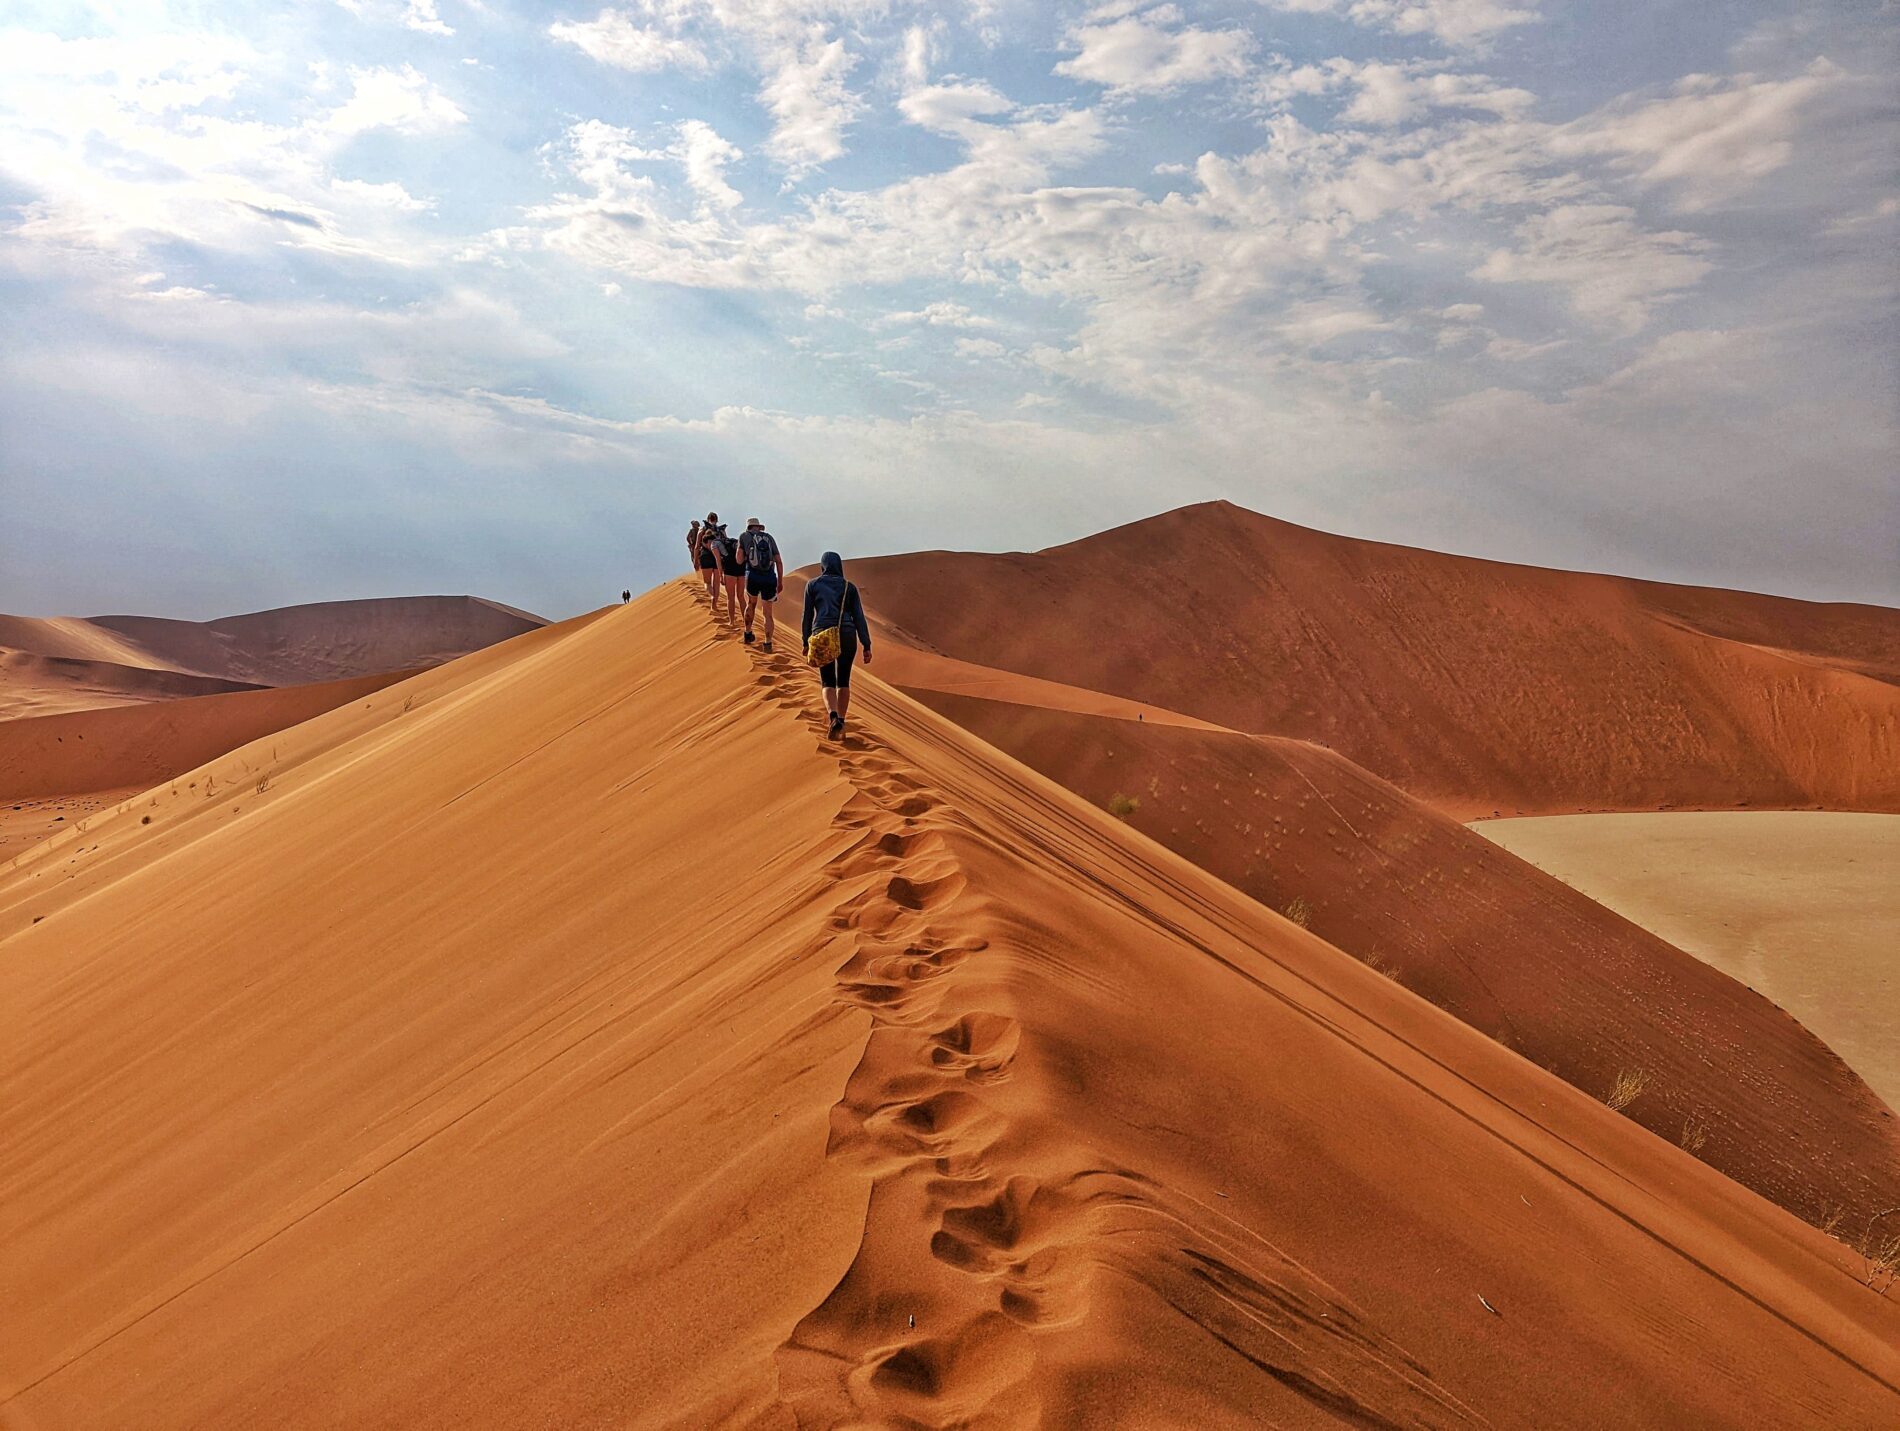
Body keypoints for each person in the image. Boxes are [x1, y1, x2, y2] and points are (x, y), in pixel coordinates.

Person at [801, 551, 871, 737]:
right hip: (847, 634)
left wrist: (805, 641)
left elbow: (807, 615)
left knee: (827, 680)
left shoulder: (812, 585)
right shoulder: (849, 587)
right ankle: (841, 719)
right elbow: (859, 618)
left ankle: (832, 716)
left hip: (822, 635)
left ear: (822, 566)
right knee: (844, 680)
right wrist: (866, 644)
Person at [738, 517, 784, 650]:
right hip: (769, 577)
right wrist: (780, 581)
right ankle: (768, 643)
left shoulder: (744, 537)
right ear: (759, 527)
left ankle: (747, 633)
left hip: (752, 576)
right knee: (768, 613)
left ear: (749, 527)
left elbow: (739, 560)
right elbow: (778, 561)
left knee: (751, 603)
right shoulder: (769, 538)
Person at [717, 521, 747, 625]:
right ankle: (746, 621)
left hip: (729, 571)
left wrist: (720, 575)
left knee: (731, 597)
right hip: (741, 570)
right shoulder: (734, 542)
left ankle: (732, 622)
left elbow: (718, 561)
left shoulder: (717, 544)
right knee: (741, 597)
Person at [695, 513, 721, 603]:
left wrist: (695, 560)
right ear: (717, 520)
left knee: (707, 582)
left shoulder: (702, 529)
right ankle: (714, 604)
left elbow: (697, 546)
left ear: (707, 519)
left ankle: (712, 596)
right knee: (716, 584)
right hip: (717, 556)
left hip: (705, 555)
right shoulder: (720, 530)